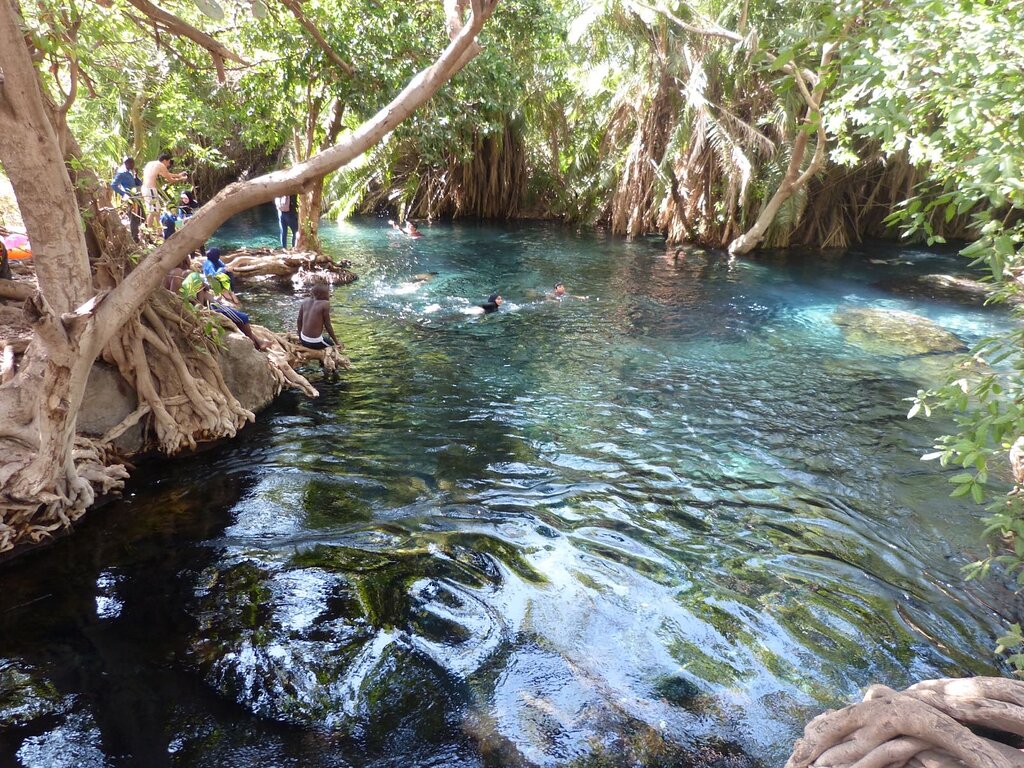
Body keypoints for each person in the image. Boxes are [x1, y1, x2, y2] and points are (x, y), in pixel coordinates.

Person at [142, 152, 187, 231]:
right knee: (153, 211)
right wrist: (181, 179)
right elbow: (170, 179)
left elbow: (166, 174)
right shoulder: (161, 165)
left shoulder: (152, 164)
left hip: (145, 189)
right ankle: (148, 231)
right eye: (169, 162)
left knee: (157, 210)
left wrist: (179, 175)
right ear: (165, 161)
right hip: (150, 190)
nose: (168, 165)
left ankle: (159, 231)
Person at [296, 282, 339, 350]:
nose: (329, 294)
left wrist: (300, 338)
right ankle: (323, 359)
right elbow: (328, 325)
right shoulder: (325, 304)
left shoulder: (305, 301)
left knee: (325, 337)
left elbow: (299, 320)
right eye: (328, 292)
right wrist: (337, 342)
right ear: (323, 294)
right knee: (332, 346)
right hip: (315, 342)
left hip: (303, 339)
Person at [110, 157, 143, 242]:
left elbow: (137, 184)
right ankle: (134, 237)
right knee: (134, 217)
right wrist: (124, 194)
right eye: (132, 163)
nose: (133, 165)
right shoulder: (121, 173)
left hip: (135, 196)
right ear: (126, 163)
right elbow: (113, 185)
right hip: (130, 197)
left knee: (141, 215)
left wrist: (136, 176)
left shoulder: (129, 172)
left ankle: (139, 234)